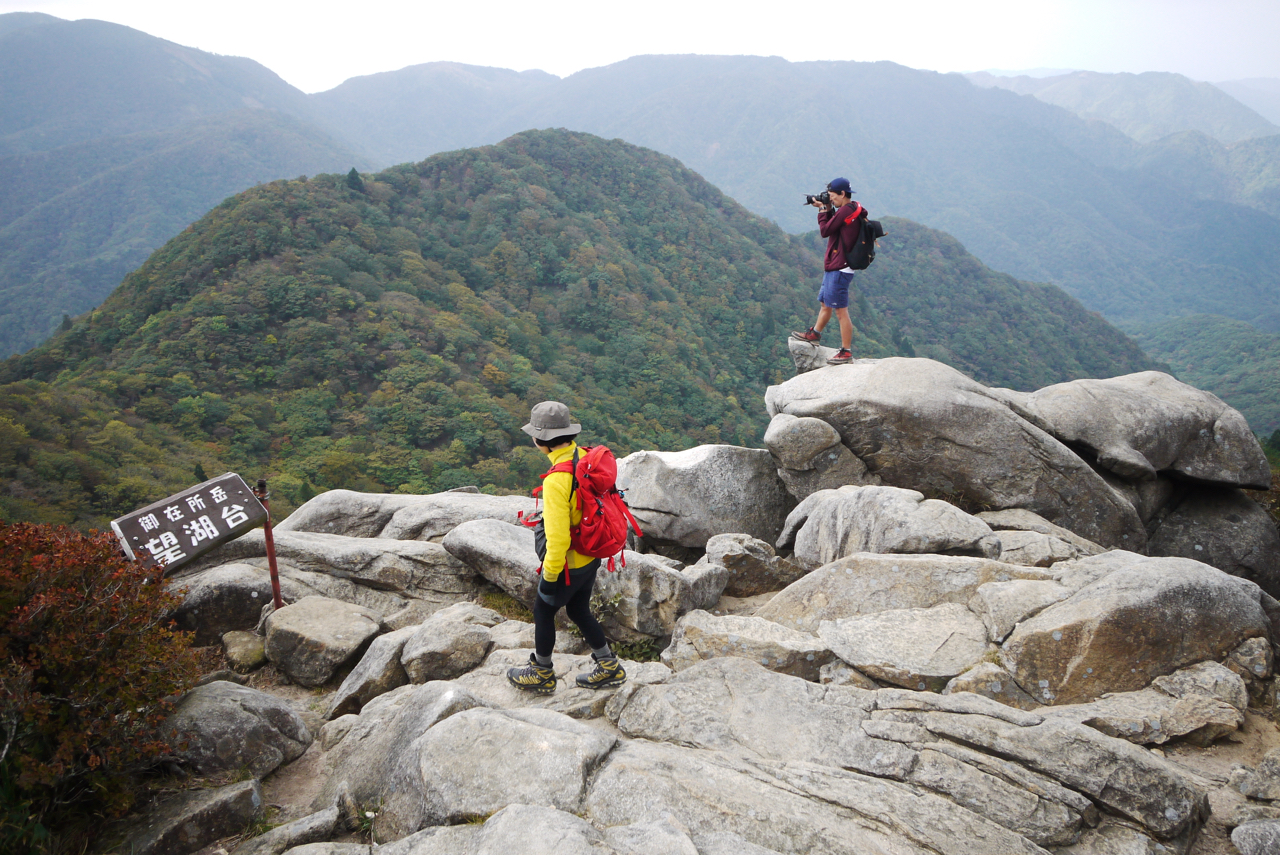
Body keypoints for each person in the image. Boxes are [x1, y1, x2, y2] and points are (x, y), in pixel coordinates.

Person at [506, 401, 626, 694]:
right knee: (578, 609)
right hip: (592, 554)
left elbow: (558, 541)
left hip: (570, 564)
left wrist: (549, 577)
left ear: (540, 441)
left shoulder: (556, 480)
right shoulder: (585, 457)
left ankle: (542, 672)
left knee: (543, 611)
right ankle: (609, 666)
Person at [791, 177, 866, 365]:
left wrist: (823, 209)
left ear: (842, 194)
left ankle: (846, 351)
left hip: (841, 267)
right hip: (835, 265)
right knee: (825, 304)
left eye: (833, 197)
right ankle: (814, 334)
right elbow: (834, 226)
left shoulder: (847, 210)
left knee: (841, 311)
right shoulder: (849, 209)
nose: (831, 200)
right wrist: (827, 208)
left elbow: (825, 230)